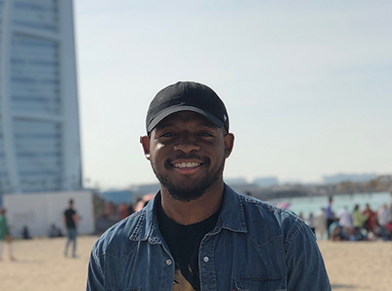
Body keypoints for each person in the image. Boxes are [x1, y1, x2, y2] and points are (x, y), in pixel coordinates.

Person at [86, 81, 331, 291]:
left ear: (227, 145)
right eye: (169, 135)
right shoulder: (111, 253)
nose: (186, 146)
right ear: (146, 147)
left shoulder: (285, 237)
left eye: (203, 134)